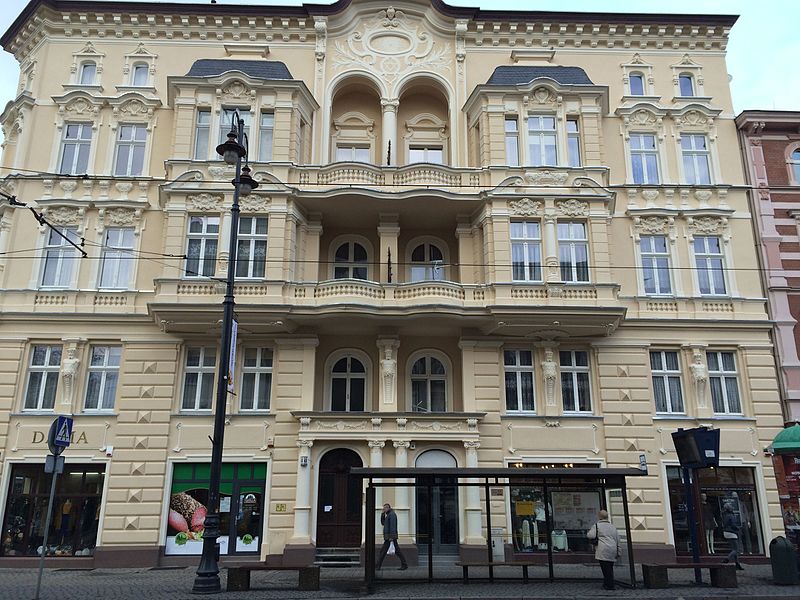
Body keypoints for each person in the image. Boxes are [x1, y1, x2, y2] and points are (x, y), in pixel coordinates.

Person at [587, 509, 621, 590]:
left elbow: (590, 535)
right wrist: (619, 551)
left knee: (605, 568)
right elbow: (618, 539)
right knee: (610, 567)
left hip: (603, 549)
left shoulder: (597, 526)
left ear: (599, 517)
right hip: (612, 549)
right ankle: (608, 583)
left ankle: (609, 585)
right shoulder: (612, 526)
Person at [376, 503, 407, 570]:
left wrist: (391, 537)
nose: (384, 509)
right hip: (389, 537)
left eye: (385, 508)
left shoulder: (392, 515)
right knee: (396, 551)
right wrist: (382, 514)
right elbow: (383, 523)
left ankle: (377, 566)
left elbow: (393, 526)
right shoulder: (388, 515)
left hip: (390, 538)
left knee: (383, 551)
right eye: (383, 508)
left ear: (388, 508)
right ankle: (404, 564)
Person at [722, 505, 744, 570]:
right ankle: (727, 558)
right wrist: (738, 529)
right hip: (732, 533)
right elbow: (733, 525)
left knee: (733, 548)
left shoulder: (724, 515)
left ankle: (737, 564)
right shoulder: (731, 516)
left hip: (725, 532)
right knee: (736, 549)